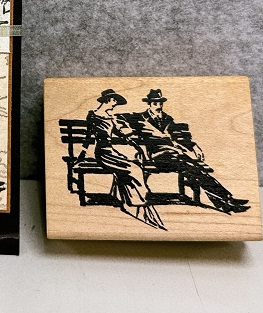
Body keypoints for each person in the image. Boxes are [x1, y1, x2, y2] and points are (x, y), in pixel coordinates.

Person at [129, 89, 249, 214]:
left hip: (173, 155)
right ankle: (225, 200)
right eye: (155, 104)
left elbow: (181, 137)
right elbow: (125, 126)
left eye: (160, 103)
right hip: (155, 156)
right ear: (149, 104)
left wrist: (194, 147)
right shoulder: (140, 119)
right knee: (192, 166)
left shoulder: (167, 118)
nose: (158, 106)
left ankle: (225, 200)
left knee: (195, 168)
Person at [77, 89, 166, 230]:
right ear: (108, 100)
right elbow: (88, 137)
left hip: (112, 152)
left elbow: (123, 134)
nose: (115, 104)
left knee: (133, 165)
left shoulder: (111, 117)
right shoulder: (93, 116)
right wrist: (82, 153)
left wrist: (136, 144)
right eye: (114, 101)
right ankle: (138, 204)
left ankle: (128, 200)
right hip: (102, 153)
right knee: (133, 169)